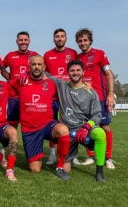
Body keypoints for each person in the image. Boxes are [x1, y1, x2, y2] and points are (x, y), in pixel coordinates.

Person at [8, 55, 71, 180]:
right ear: (29, 67)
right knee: (35, 169)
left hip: (47, 125)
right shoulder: (20, 81)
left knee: (63, 130)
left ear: (44, 67)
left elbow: (72, 89)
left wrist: (86, 86)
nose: (36, 67)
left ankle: (60, 167)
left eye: (39, 64)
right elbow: (2, 86)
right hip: (30, 130)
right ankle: (38, 154)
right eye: (33, 64)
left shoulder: (52, 84)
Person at [44, 59, 107, 182]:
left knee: (100, 134)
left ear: (83, 72)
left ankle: (99, 170)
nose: (75, 73)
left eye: (78, 70)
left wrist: (86, 127)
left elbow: (97, 115)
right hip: (67, 132)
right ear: (68, 72)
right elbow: (45, 74)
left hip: (84, 129)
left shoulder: (91, 92)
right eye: (72, 70)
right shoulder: (62, 85)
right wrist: (25, 74)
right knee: (65, 169)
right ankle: (71, 156)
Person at [76, 28, 115, 169]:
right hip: (83, 99)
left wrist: (110, 94)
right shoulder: (77, 58)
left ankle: (108, 158)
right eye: (80, 41)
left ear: (90, 40)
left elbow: (109, 74)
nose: (82, 43)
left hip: (99, 97)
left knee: (105, 127)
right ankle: (92, 156)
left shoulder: (100, 54)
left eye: (85, 40)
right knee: (85, 127)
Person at [43, 28, 77, 165]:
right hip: (52, 97)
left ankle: (71, 155)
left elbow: (78, 71)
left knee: (71, 124)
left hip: (68, 96)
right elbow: (44, 75)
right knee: (53, 124)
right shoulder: (47, 54)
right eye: (57, 36)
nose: (60, 39)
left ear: (66, 38)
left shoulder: (73, 53)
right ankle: (52, 154)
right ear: (53, 39)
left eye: (62, 36)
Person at [2, 31, 38, 127]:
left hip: (29, 94)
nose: (23, 42)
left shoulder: (35, 55)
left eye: (25, 40)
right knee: (12, 123)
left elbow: (41, 70)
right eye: (20, 40)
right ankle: (11, 142)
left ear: (29, 41)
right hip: (14, 95)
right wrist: (10, 79)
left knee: (30, 123)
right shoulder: (10, 55)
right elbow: (1, 68)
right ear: (17, 41)